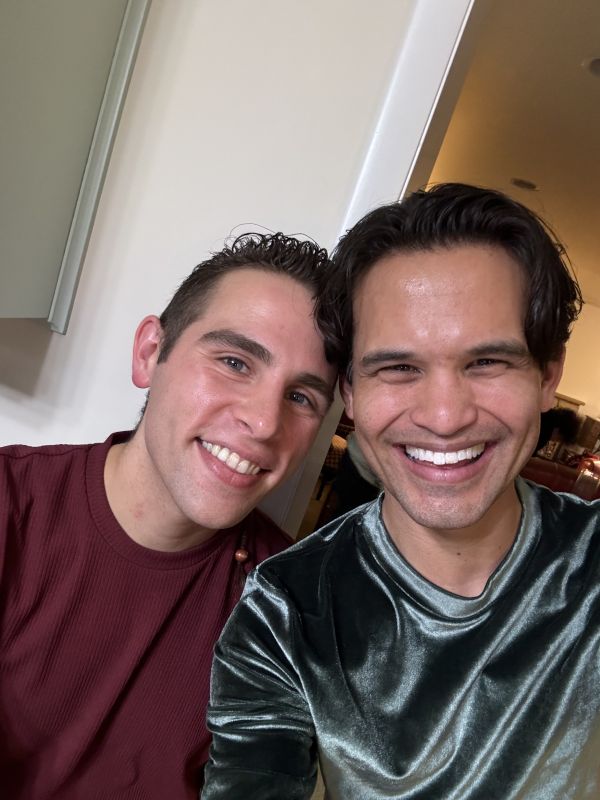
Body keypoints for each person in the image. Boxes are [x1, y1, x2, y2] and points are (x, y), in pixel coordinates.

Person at [203, 184, 600, 799]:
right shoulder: (285, 613)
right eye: (398, 368)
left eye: (486, 363)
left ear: (547, 377)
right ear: (351, 395)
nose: (444, 417)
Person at [0, 232, 339, 799]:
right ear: (149, 354)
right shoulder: (11, 503)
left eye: (302, 398)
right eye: (234, 362)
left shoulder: (291, 607)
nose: (263, 423)